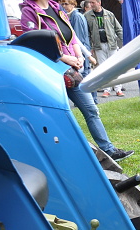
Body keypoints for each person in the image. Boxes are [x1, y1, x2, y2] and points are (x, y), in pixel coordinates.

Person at [19, 0, 132, 161]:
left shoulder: (56, 8)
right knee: (57, 116)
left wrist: (79, 57)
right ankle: (60, 156)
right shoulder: (29, 11)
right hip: (50, 72)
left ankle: (109, 150)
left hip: (71, 71)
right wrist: (64, 58)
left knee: (91, 110)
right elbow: (33, 44)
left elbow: (71, 37)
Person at [84, 0, 123, 97]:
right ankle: (107, 89)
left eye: (93, 3)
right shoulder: (87, 16)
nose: (91, 5)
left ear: (99, 2)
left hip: (111, 44)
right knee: (103, 68)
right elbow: (87, 33)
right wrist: (90, 47)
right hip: (98, 46)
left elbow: (118, 29)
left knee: (115, 66)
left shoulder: (109, 14)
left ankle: (118, 89)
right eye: (90, 3)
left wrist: (124, 41)